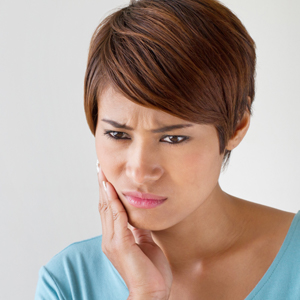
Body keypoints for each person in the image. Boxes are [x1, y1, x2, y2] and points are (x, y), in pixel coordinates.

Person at [35, 0, 300, 299]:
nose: (139, 170)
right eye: (117, 134)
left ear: (237, 127)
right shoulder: (69, 283)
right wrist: (146, 293)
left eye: (173, 138)